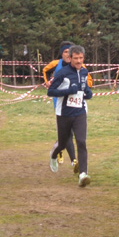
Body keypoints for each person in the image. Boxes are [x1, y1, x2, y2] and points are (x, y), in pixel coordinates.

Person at [48, 45, 93, 187]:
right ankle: (54, 155)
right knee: (62, 143)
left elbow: (84, 89)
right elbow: (51, 92)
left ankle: (83, 174)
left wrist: (88, 92)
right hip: (64, 113)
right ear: (70, 58)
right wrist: (68, 91)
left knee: (81, 141)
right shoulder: (62, 73)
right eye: (76, 58)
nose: (79, 61)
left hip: (80, 112)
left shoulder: (85, 72)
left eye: (81, 58)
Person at [43, 41, 80, 172]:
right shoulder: (56, 64)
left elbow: (88, 78)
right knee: (68, 132)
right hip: (59, 102)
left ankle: (61, 149)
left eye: (70, 51)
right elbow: (45, 70)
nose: (68, 54)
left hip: (75, 103)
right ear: (62, 53)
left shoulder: (78, 64)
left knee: (69, 132)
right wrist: (47, 82)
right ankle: (73, 160)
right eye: (65, 52)